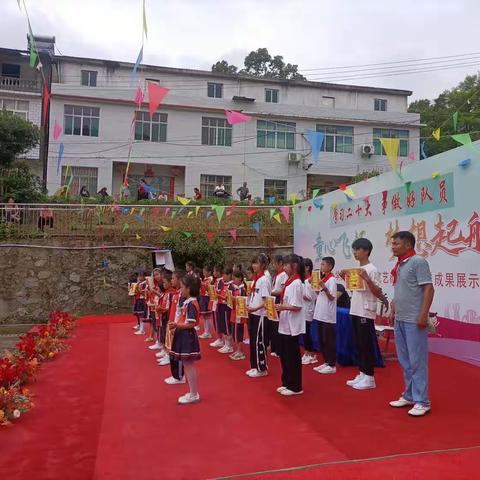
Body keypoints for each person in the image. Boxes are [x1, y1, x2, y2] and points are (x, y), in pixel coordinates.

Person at [389, 231, 434, 417]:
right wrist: (393, 307)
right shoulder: (400, 265)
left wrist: (423, 315)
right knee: (405, 360)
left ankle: (422, 401)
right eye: (392, 243)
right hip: (401, 318)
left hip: (414, 320)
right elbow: (403, 290)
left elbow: (428, 289)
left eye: (396, 243)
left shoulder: (418, 262)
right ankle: (409, 395)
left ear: (407, 245)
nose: (392, 246)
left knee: (417, 361)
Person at [341, 238, 388, 390]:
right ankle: (362, 373)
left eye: (358, 249)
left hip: (366, 311)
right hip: (355, 309)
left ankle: (369, 377)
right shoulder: (357, 270)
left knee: (365, 344)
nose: (355, 252)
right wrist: (345, 278)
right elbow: (354, 290)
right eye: (354, 249)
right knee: (358, 343)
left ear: (366, 251)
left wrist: (367, 279)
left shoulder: (371, 269)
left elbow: (377, 291)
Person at [168, 275, 202, 404]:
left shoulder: (191, 303)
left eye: (182, 287)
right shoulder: (188, 302)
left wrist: (177, 325)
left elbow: (191, 323)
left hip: (187, 335)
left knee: (188, 364)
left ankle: (194, 393)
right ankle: (192, 392)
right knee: (187, 364)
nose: (180, 290)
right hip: (183, 334)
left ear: (188, 289)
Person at [275, 254, 305, 396]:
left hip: (292, 325)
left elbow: (297, 306)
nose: (284, 267)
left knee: (292, 356)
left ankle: (296, 386)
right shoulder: (289, 282)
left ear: (294, 266)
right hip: (285, 323)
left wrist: (283, 307)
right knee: (285, 355)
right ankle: (286, 381)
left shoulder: (297, 283)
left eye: (287, 265)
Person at [246, 254, 271, 378]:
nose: (254, 266)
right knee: (253, 340)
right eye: (253, 263)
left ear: (263, 265)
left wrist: (255, 308)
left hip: (260, 315)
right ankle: (254, 365)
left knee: (259, 341)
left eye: (257, 263)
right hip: (253, 313)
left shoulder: (264, 280)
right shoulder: (256, 279)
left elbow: (266, 301)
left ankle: (262, 368)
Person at [312, 257, 337, 374]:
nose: (321, 266)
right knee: (322, 339)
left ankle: (332, 364)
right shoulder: (324, 278)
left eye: (323, 264)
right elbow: (319, 294)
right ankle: (326, 361)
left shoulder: (331, 279)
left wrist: (324, 287)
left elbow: (332, 297)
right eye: (321, 264)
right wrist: (315, 286)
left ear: (330, 267)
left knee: (329, 340)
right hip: (320, 313)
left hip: (327, 314)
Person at [162, 270, 186, 376]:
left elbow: (180, 312)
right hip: (172, 323)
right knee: (172, 348)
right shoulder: (176, 293)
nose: (171, 280)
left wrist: (176, 325)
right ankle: (176, 375)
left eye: (173, 278)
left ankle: (179, 376)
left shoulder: (182, 294)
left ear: (179, 280)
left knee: (177, 351)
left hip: (176, 325)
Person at [269, 255, 288, 357]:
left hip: (277, 299)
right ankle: (275, 348)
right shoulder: (277, 275)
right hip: (273, 299)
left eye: (274, 263)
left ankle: (280, 349)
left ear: (280, 263)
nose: (273, 265)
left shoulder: (283, 275)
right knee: (273, 324)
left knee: (277, 325)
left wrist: (271, 292)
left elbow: (282, 290)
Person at [302, 258, 318, 365]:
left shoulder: (311, 280)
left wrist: (301, 295)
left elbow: (312, 296)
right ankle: (306, 352)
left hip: (308, 309)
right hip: (303, 309)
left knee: (308, 332)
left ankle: (311, 353)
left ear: (307, 267)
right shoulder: (304, 280)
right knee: (304, 332)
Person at [229, 270, 248, 360]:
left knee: (238, 332)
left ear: (240, 278)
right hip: (234, 312)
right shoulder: (234, 288)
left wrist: (234, 298)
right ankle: (237, 350)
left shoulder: (243, 288)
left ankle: (240, 351)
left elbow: (244, 299)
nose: (233, 280)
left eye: (234, 278)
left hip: (239, 313)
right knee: (234, 331)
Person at [216, 267, 234, 354]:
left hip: (227, 307)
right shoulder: (224, 284)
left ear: (229, 275)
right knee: (223, 325)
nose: (223, 277)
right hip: (221, 306)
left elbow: (229, 298)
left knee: (227, 327)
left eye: (224, 275)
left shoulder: (231, 285)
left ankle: (229, 346)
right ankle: (226, 344)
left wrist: (220, 297)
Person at [209, 265, 225, 349]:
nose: (214, 273)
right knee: (216, 321)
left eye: (215, 271)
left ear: (219, 272)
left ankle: (220, 339)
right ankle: (219, 338)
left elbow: (219, 292)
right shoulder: (216, 281)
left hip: (218, 303)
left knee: (218, 322)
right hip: (215, 302)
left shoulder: (221, 281)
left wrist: (214, 292)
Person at [198, 265, 214, 340]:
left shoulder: (211, 279)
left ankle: (207, 332)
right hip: (203, 297)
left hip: (207, 298)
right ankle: (206, 332)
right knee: (204, 316)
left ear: (209, 272)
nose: (204, 273)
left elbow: (208, 288)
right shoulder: (205, 279)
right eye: (203, 272)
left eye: (205, 272)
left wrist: (201, 282)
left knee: (207, 315)